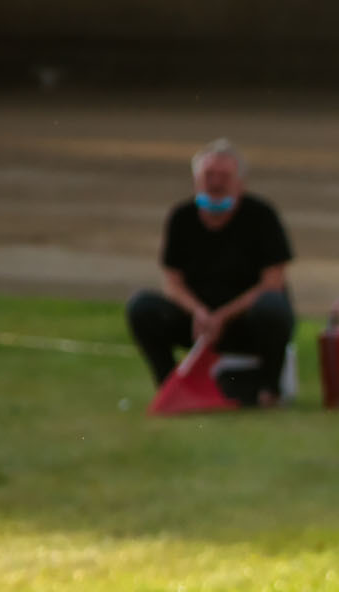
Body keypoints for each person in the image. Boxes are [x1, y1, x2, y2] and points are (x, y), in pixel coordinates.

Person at [125, 139, 295, 407]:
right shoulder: (181, 218)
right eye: (208, 175)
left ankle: (269, 390)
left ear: (240, 182)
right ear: (196, 181)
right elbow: (172, 282)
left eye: (224, 176)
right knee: (142, 306)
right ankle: (170, 386)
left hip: (245, 321)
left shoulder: (262, 216)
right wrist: (199, 313)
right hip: (197, 323)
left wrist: (222, 316)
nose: (215, 183)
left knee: (272, 307)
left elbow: (273, 282)